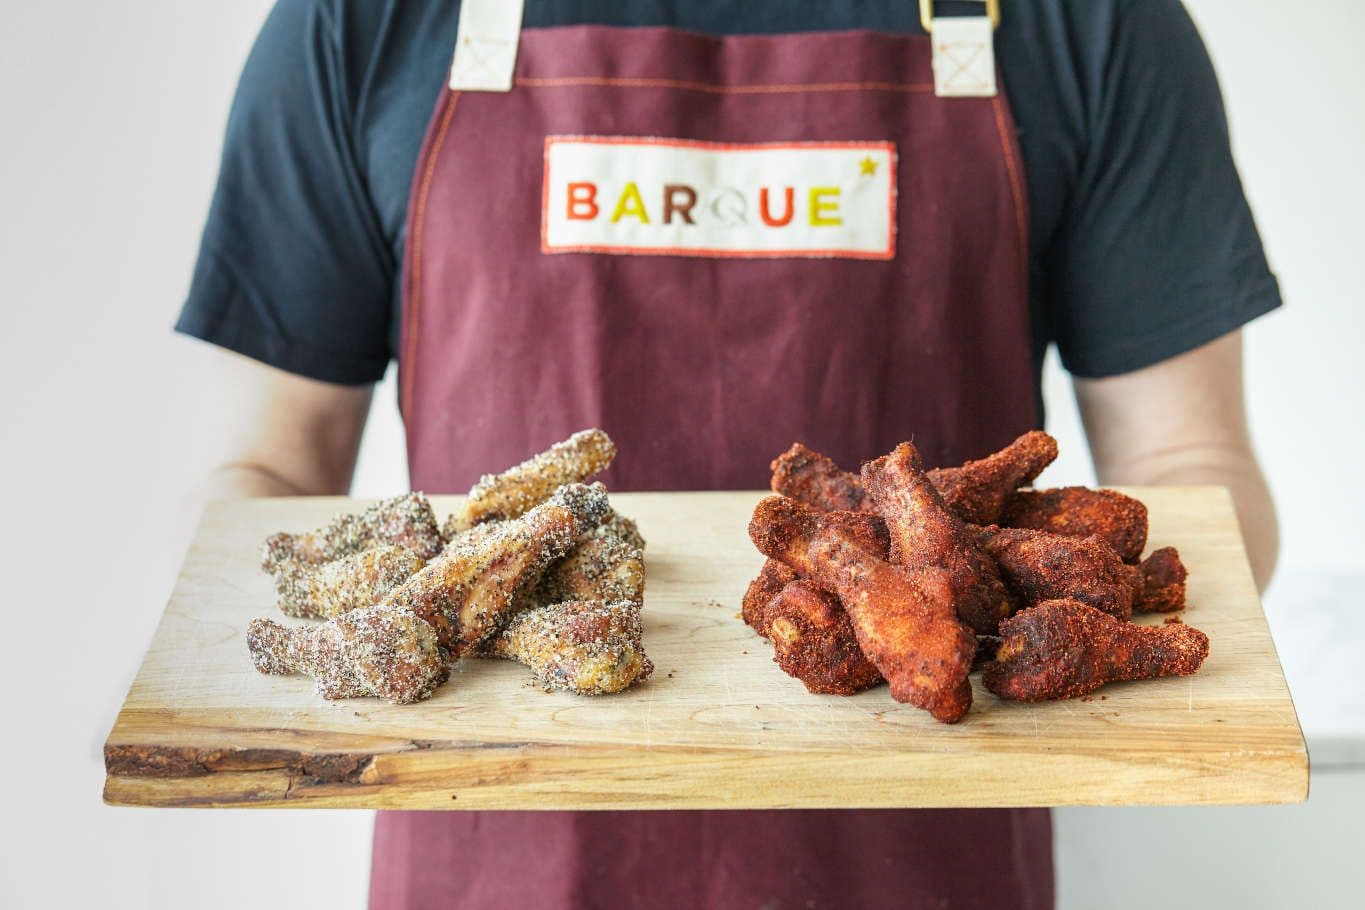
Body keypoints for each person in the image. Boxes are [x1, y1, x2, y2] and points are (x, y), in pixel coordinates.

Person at [179, 1, 1280, 906]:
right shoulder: (362, 25)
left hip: (931, 868)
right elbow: (266, 478)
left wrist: (1119, 623)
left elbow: (1193, 459)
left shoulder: (1087, 24)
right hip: (493, 867)